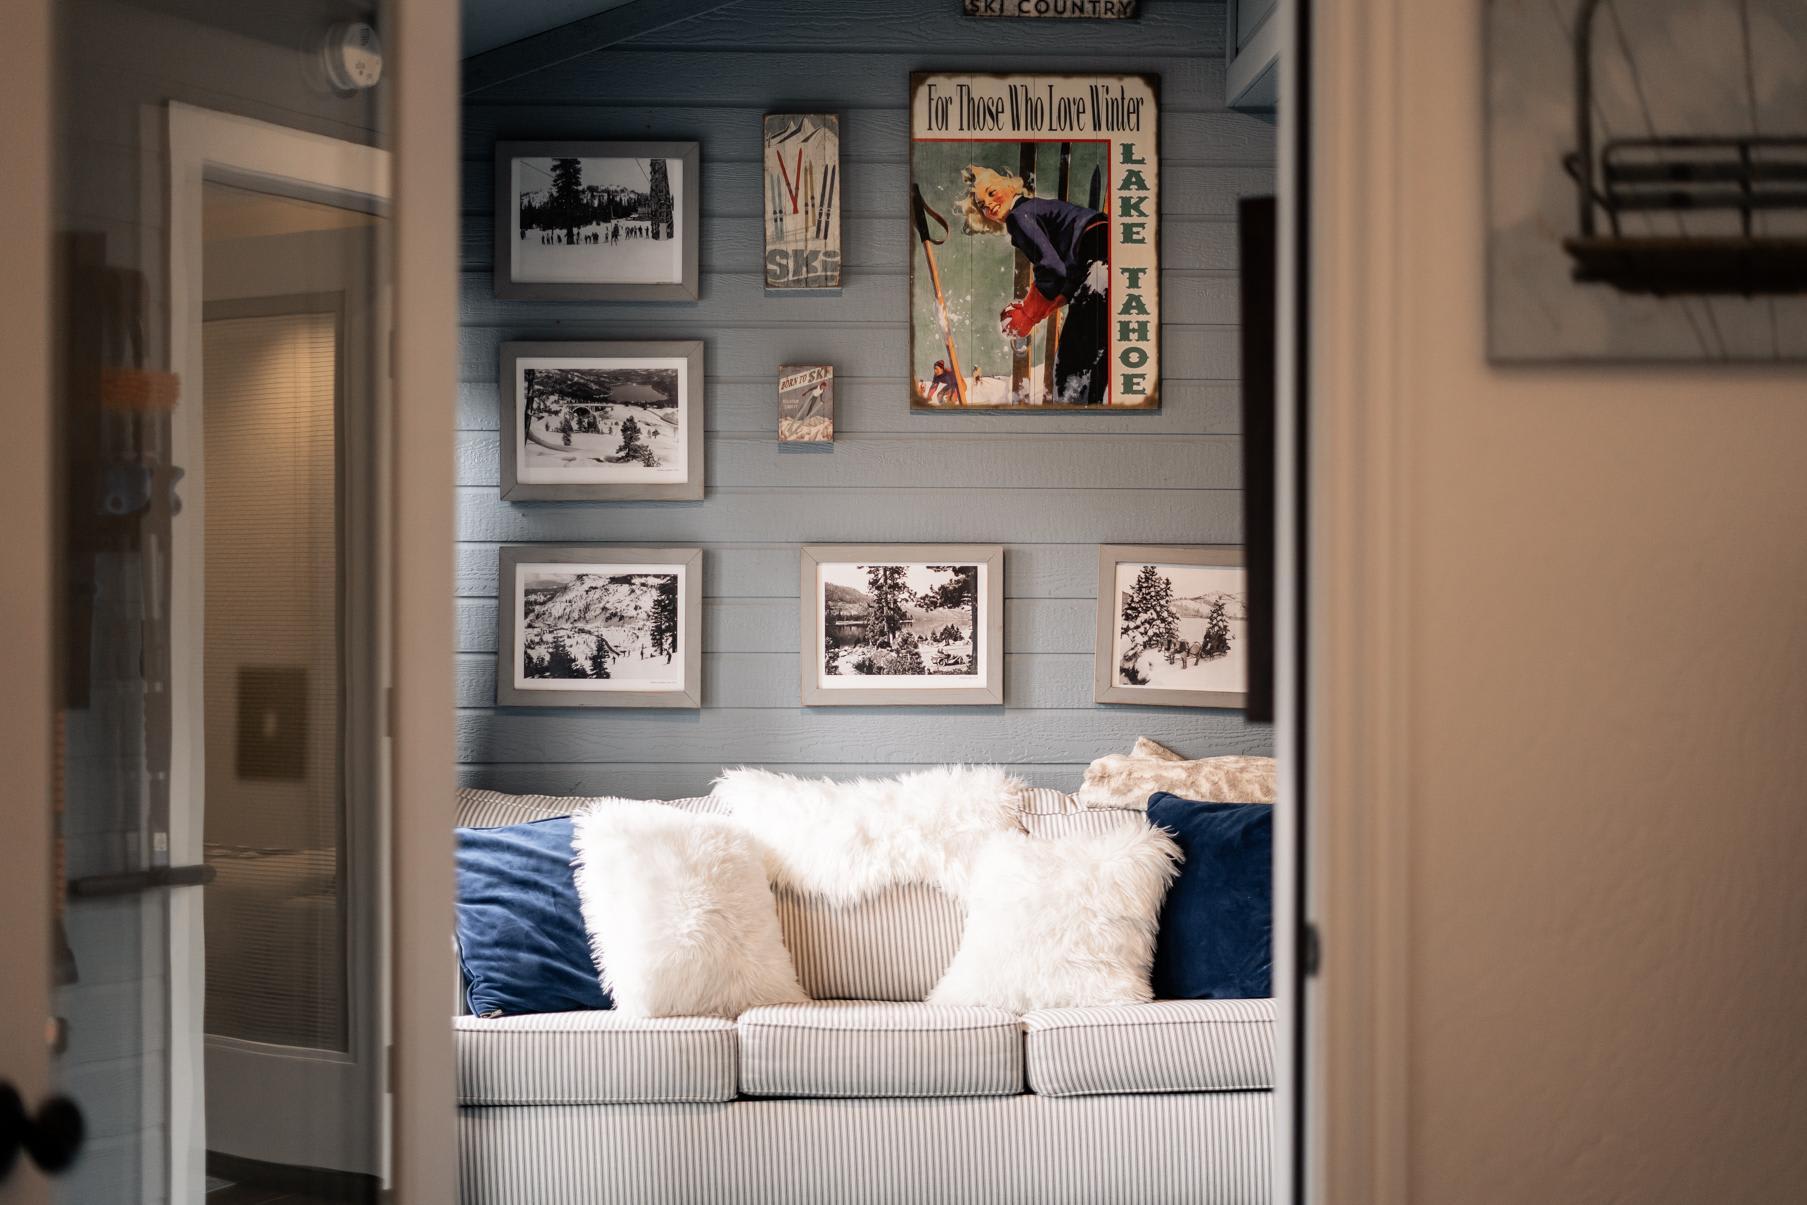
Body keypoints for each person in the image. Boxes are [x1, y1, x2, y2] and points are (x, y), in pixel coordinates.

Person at [957, 165, 1109, 405]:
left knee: (1069, 377)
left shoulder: (1019, 216)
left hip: (1101, 261)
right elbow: (1066, 280)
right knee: (1094, 366)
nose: (989, 204)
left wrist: (1026, 316)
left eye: (991, 192)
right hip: (1105, 261)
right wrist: (1038, 313)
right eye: (982, 205)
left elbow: (1051, 270)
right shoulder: (1034, 209)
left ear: (1010, 185)